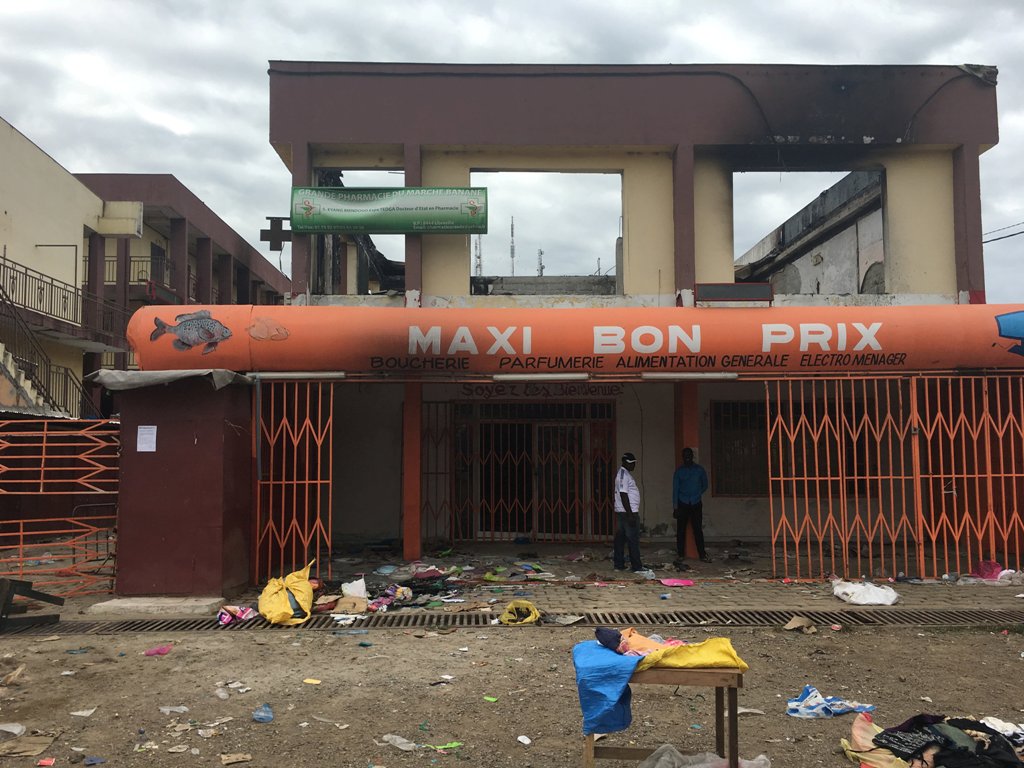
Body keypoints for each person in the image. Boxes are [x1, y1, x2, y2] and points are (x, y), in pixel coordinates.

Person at [672, 447, 711, 563]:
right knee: (681, 531)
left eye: (689, 455)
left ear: (692, 456)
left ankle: (702, 554)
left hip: (696, 502)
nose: (687, 458)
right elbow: (675, 489)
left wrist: (697, 493)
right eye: (685, 456)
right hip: (682, 503)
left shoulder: (699, 470)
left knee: (697, 530)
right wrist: (675, 507)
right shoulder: (679, 471)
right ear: (683, 457)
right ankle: (680, 554)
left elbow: (705, 485)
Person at [613, 451, 644, 572]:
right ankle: (636, 566)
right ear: (627, 463)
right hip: (627, 513)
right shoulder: (623, 476)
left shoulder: (624, 474)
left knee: (620, 539)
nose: (634, 466)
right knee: (633, 540)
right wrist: (630, 514)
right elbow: (623, 494)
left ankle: (619, 564)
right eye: (633, 463)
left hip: (624, 512)